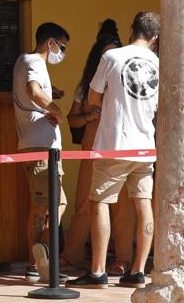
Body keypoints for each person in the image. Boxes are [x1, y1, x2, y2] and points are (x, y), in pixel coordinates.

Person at [71, 11, 159, 290]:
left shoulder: (112, 57)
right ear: (155, 38)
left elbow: (93, 96)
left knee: (100, 203)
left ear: (131, 28)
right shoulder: (158, 63)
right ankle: (138, 270)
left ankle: (97, 271)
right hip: (145, 145)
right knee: (142, 203)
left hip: (114, 143)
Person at [64, 19, 129, 273]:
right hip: (93, 143)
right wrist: (89, 117)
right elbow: (72, 118)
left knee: (123, 204)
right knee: (84, 201)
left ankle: (122, 258)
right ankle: (72, 255)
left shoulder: (127, 83)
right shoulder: (86, 86)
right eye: (104, 55)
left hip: (121, 142)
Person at [12, 22, 71, 285]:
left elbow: (35, 91)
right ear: (50, 43)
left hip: (36, 145)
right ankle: (39, 258)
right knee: (49, 205)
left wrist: (52, 93)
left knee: (49, 204)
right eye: (62, 47)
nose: (63, 53)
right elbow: (33, 91)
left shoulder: (25, 61)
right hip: (41, 147)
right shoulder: (35, 61)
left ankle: (39, 261)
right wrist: (56, 109)